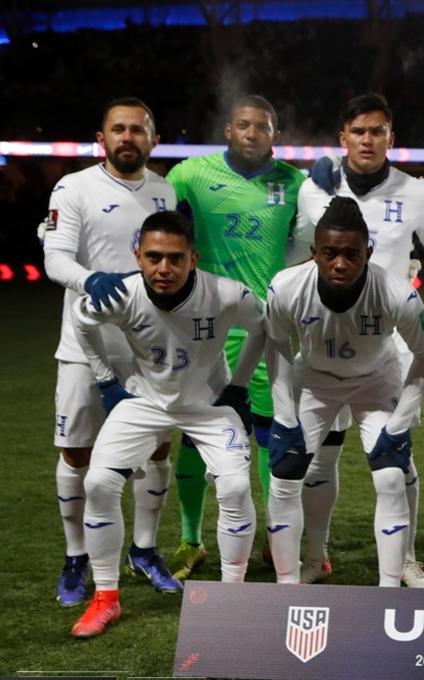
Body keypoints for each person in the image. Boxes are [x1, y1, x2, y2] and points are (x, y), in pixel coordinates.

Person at [69, 211, 264, 637]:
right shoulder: (121, 294)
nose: (164, 268)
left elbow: (263, 326)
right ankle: (105, 599)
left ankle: (233, 598)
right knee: (99, 484)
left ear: (193, 259)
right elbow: (82, 321)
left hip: (210, 405)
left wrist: (239, 385)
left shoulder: (226, 293)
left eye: (175, 258)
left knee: (233, 486)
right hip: (146, 402)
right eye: (154, 257)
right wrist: (106, 381)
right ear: (137, 256)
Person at [292, 93, 424, 588]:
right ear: (343, 138)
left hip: (391, 343)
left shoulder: (417, 194)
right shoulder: (313, 189)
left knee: (395, 454)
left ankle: (403, 558)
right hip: (324, 337)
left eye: (377, 131)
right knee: (323, 452)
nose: (368, 140)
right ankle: (316, 556)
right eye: (358, 131)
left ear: (391, 138)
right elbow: (298, 249)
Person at [43, 97, 180, 606]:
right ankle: (77, 556)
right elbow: (55, 257)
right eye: (118, 129)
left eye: (138, 129)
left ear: (153, 139)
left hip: (149, 349)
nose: (128, 137)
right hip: (84, 343)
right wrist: (91, 279)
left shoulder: (164, 192)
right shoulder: (74, 187)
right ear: (102, 138)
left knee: (157, 450)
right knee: (76, 450)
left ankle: (144, 551)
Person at [163, 94, 306, 580]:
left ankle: (272, 537)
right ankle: (190, 539)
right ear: (229, 129)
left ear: (275, 135)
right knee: (192, 436)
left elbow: (314, 235)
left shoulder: (294, 184)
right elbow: (152, 214)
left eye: (261, 127)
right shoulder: (189, 174)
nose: (251, 133)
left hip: (265, 330)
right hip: (202, 330)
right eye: (243, 125)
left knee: (269, 433)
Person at [264, 196, 424, 587]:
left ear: (368, 252)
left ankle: (394, 580)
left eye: (351, 254)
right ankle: (295, 577)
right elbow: (273, 345)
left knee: (393, 474)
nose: (340, 263)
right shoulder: (286, 286)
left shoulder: (397, 294)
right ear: (314, 253)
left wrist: (400, 425)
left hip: (376, 379)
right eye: (329, 253)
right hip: (316, 380)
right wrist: (283, 416)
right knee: (285, 473)